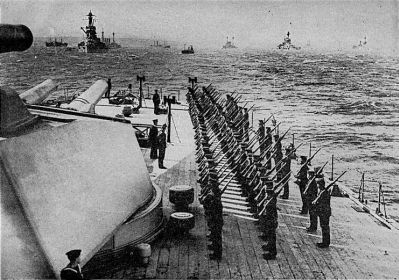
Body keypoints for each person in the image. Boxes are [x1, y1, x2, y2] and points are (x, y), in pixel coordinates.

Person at [313, 173, 331, 248]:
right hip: (324, 212)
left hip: (324, 212)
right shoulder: (323, 192)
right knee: (324, 227)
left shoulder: (324, 193)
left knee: (325, 227)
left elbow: (322, 203)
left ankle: (325, 243)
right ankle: (325, 241)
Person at [261, 182, 278, 260]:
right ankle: (269, 247)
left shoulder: (271, 203)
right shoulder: (270, 201)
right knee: (270, 235)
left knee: (272, 237)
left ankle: (272, 253)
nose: (267, 196)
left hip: (271, 221)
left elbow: (272, 213)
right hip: (269, 220)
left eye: (268, 195)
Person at [306, 168, 318, 232]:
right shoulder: (310, 181)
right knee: (311, 214)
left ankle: (313, 227)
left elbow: (314, 191)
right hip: (309, 199)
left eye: (310, 174)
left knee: (313, 214)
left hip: (312, 199)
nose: (309, 175)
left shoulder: (313, 182)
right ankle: (311, 226)